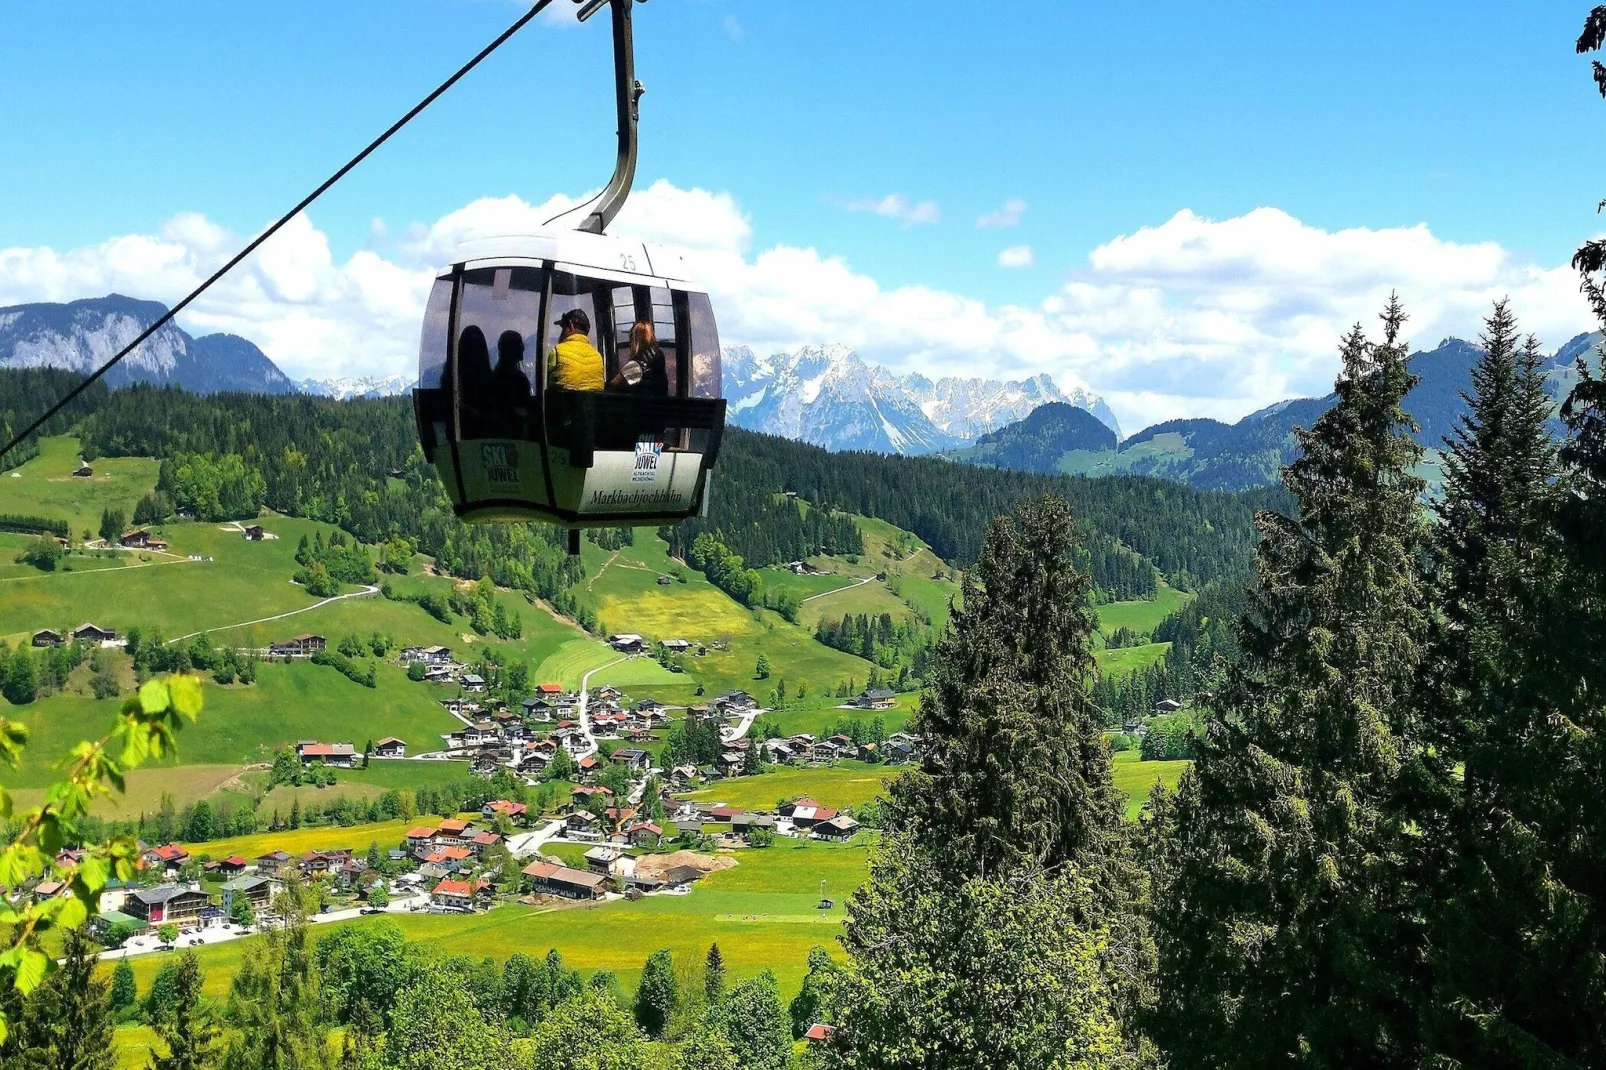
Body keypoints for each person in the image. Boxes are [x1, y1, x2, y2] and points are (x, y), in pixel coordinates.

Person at [547, 308, 604, 391]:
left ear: (570, 327)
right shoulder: (598, 357)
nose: (561, 334)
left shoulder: (557, 352)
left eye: (563, 329)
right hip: (591, 404)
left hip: (562, 403)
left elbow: (545, 382)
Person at [609, 320, 669, 395]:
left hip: (640, 405)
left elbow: (614, 385)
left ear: (633, 340)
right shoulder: (658, 357)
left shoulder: (636, 364)